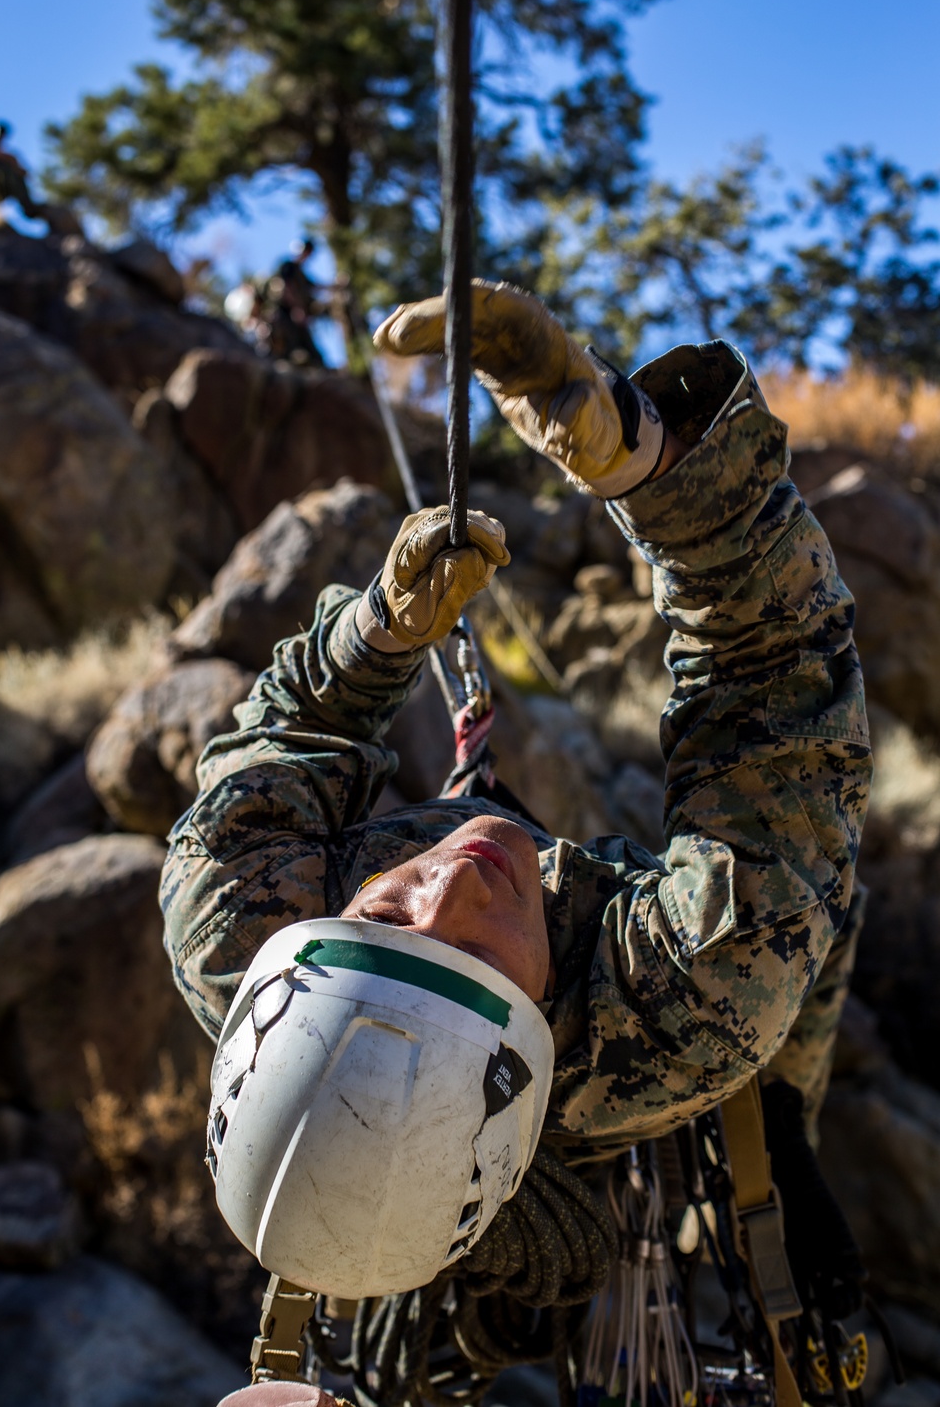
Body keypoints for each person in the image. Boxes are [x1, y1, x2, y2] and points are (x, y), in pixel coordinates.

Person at [161, 281, 870, 1335]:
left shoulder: (241, 927)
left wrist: (377, 640)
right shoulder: (697, 995)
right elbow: (773, 677)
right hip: (694, 1014)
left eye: (387, 919)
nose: (454, 875)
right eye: (478, 960)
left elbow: (282, 736)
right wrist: (644, 461)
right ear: (538, 1020)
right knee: (787, 1007)